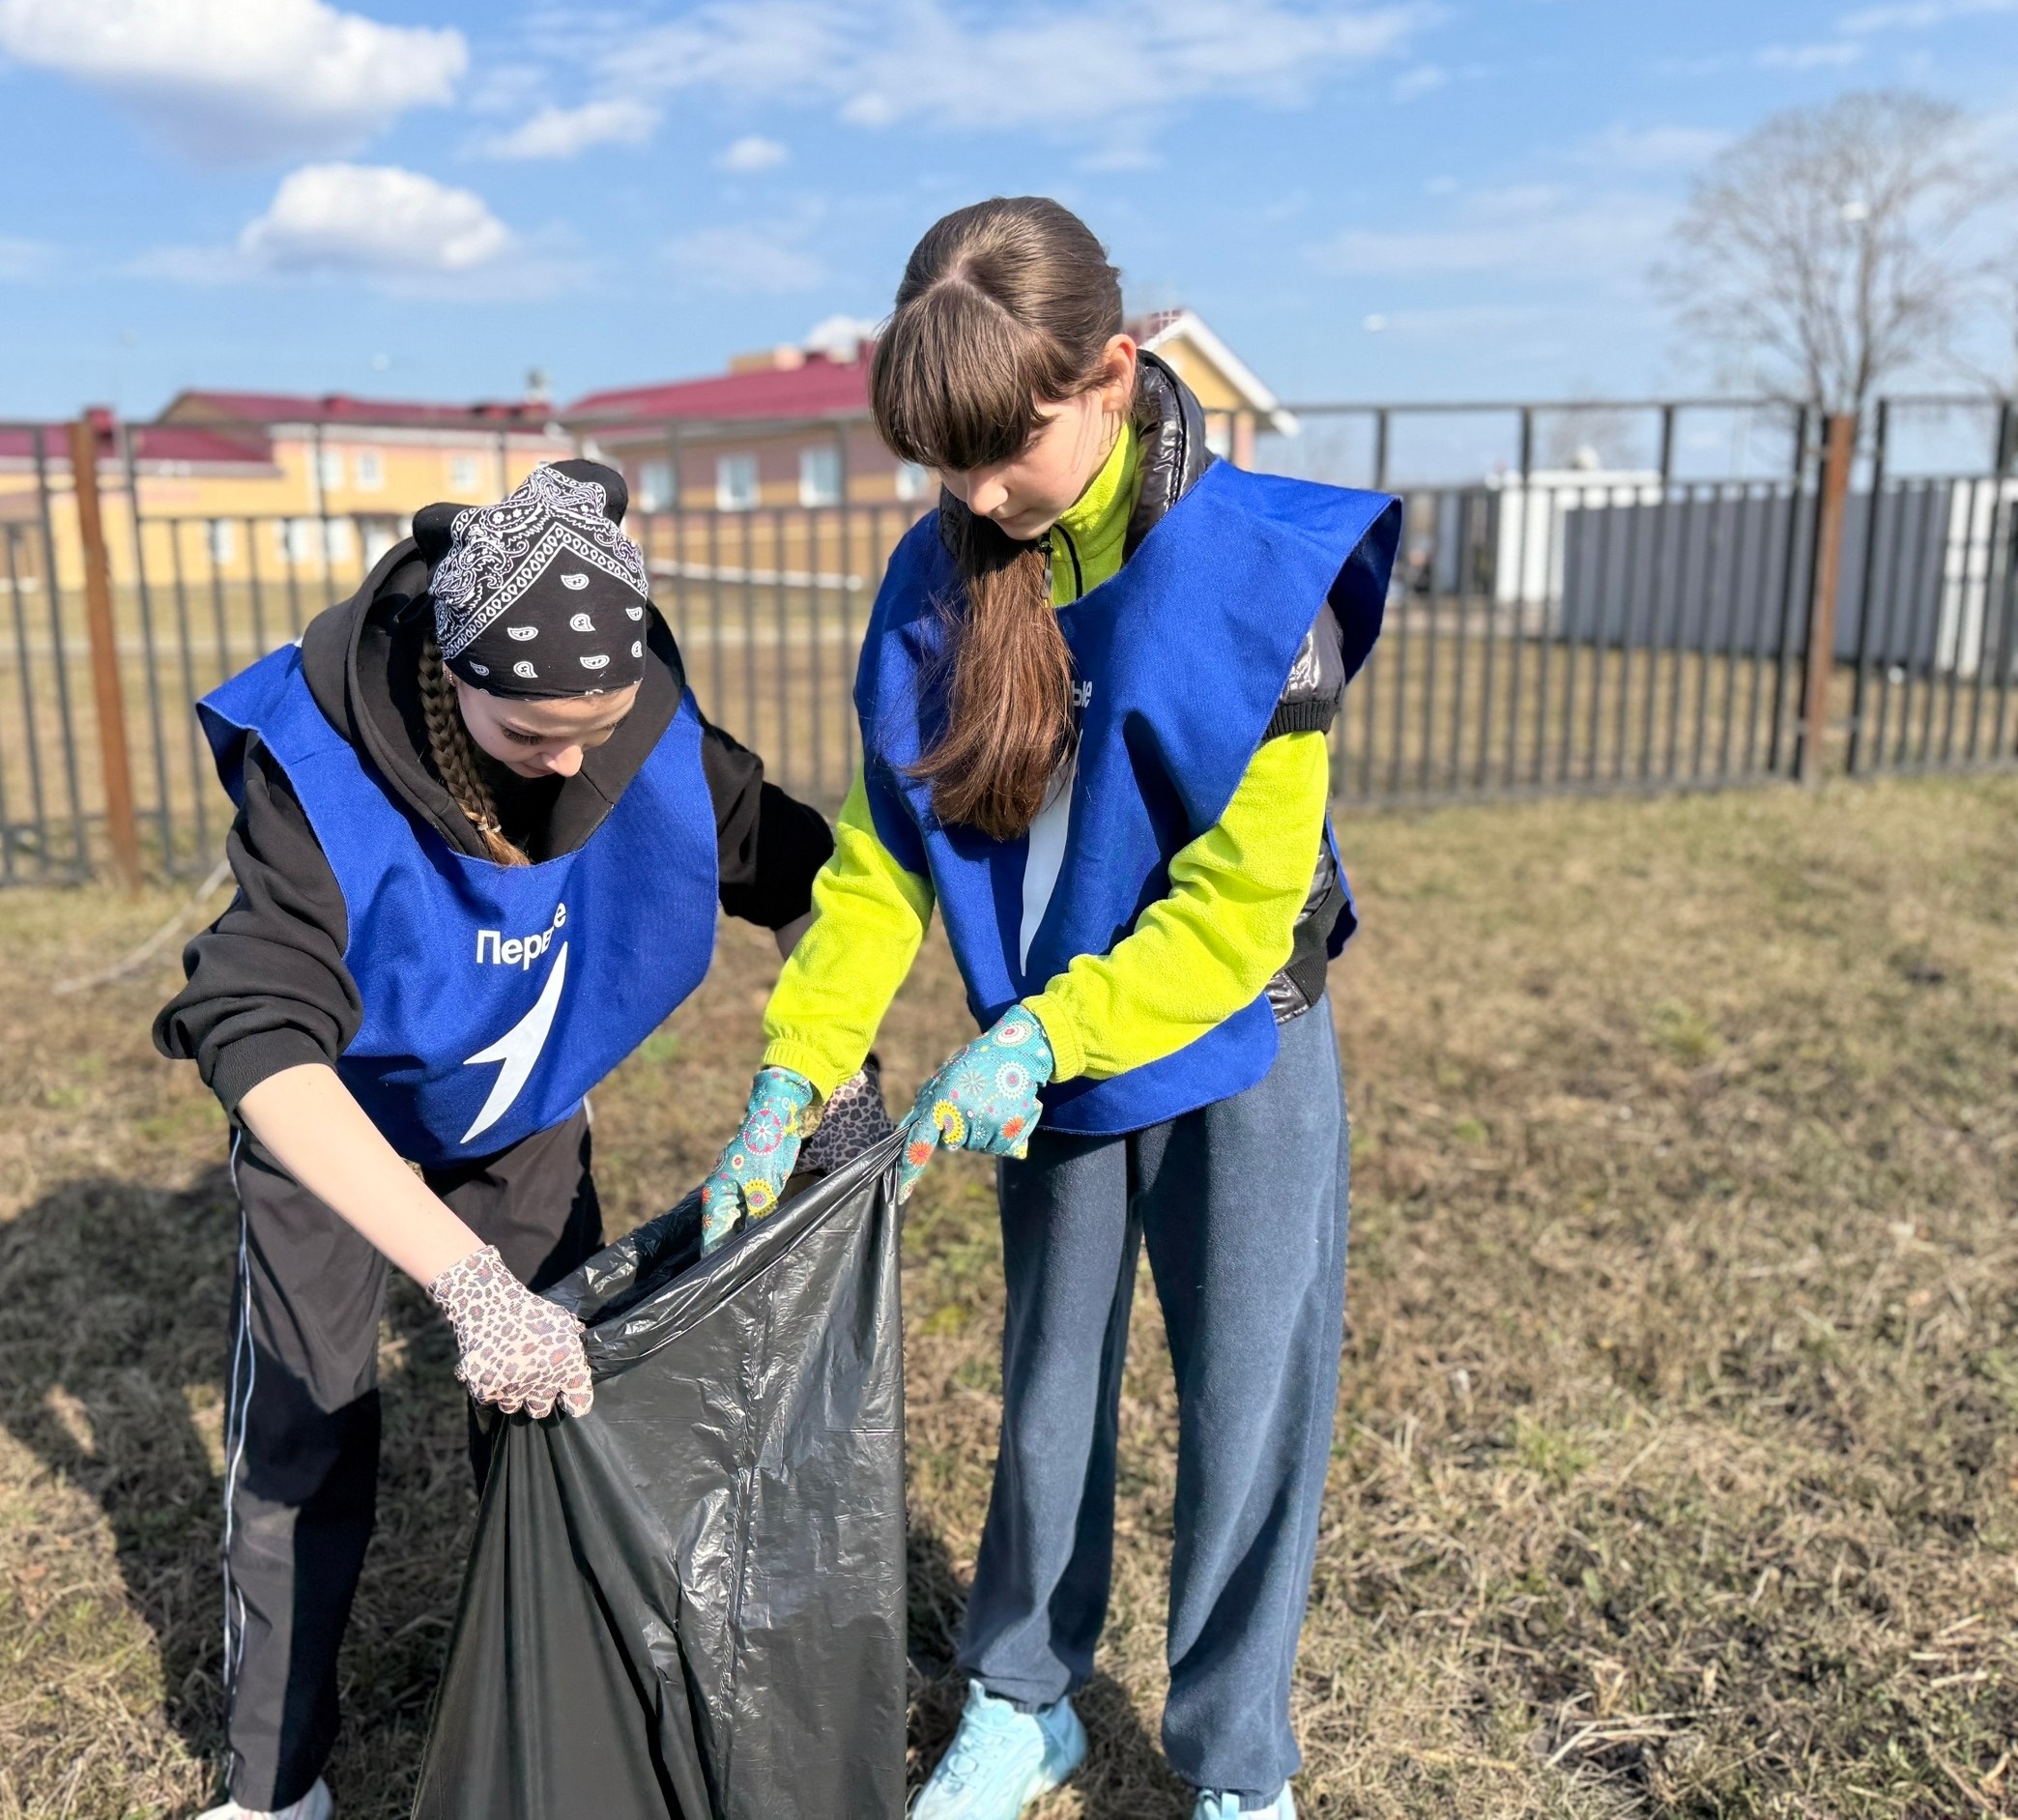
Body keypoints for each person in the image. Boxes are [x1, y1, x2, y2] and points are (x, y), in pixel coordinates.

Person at [697, 198, 1399, 1819]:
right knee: (1049, 1392)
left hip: (1237, 1045)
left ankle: (1239, 1766)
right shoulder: (935, 581)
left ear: (1114, 373)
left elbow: (1235, 914)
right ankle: (1024, 1696)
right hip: (1052, 1076)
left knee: (1247, 1411)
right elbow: (879, 862)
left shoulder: (1256, 577)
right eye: (939, 463)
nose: (973, 497)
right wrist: (794, 1077)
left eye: (1002, 451)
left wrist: (1038, 1034)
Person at [157, 460, 847, 1820]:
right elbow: (256, 1033)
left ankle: (546, 1714)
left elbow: (808, 878)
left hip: (520, 1116)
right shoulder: (323, 765)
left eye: (602, 725)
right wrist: (460, 1280)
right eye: (536, 736)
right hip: (340, 1122)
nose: (577, 762)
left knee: (552, 1420)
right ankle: (271, 1783)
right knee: (306, 1429)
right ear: (456, 677)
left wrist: (835, 1067)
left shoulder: (632, 722)